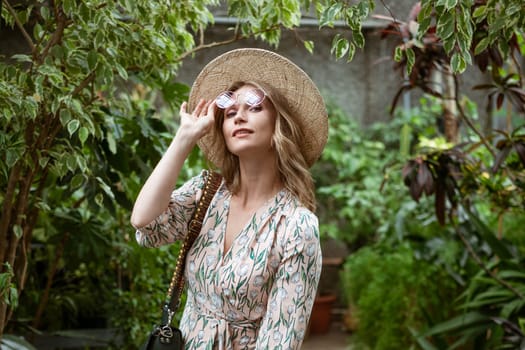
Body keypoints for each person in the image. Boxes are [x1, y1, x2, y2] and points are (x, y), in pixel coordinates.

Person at [131, 48, 328, 350]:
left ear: (279, 123)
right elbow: (144, 222)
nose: (239, 117)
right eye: (230, 112)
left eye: (254, 107)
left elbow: (281, 339)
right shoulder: (206, 194)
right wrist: (184, 139)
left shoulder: (296, 227)